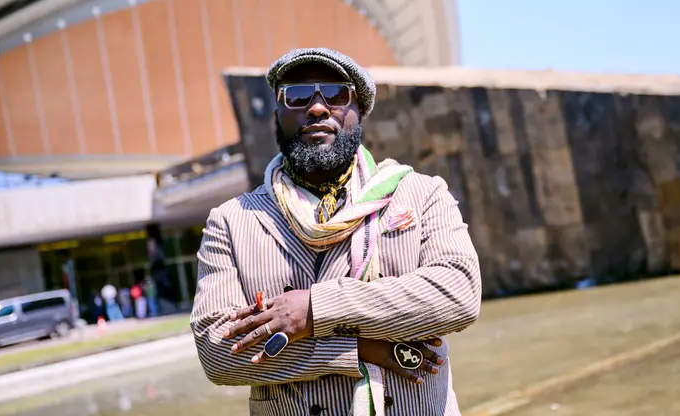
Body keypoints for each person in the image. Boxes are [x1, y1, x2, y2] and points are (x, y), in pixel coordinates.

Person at [191, 48, 482, 416]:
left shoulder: (422, 194)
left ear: (359, 110)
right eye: (297, 96)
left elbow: (458, 293)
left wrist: (314, 310)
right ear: (278, 115)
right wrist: (354, 349)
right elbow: (217, 351)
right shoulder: (232, 222)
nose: (317, 107)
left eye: (335, 94)